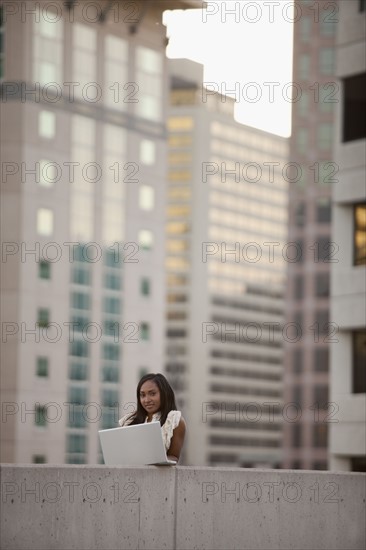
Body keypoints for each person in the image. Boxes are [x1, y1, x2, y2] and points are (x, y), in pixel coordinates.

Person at [118, 373, 186, 463]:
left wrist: (149, 460)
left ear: (164, 394)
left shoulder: (174, 420)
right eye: (142, 395)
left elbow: (174, 457)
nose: (147, 400)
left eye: (152, 394)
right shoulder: (130, 420)